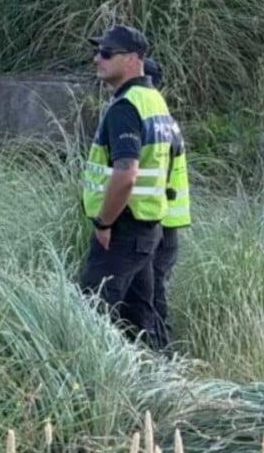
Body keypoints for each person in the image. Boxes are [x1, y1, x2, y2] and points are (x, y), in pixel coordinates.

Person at [79, 24, 176, 351]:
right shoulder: (154, 100)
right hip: (148, 227)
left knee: (90, 312)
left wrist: (104, 222)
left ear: (133, 59)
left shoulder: (127, 107)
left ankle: (88, 387)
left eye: (107, 53)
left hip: (122, 227)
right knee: (140, 319)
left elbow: (126, 174)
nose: (97, 59)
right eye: (97, 52)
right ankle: (162, 384)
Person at [144, 57, 190, 355]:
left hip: (155, 221)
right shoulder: (166, 122)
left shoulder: (149, 120)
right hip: (168, 221)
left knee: (152, 293)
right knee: (153, 291)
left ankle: (162, 356)